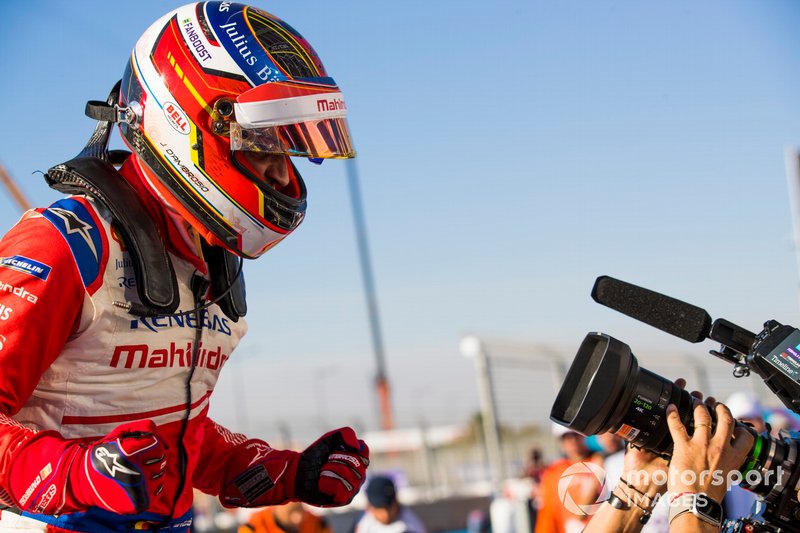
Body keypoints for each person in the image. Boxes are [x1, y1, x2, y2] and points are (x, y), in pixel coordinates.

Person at [0, 2, 368, 532]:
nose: (282, 176)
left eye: (289, 152)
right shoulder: (66, 245)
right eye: (265, 145)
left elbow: (179, 439)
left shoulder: (211, 256)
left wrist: (285, 473)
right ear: (186, 121)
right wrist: (76, 475)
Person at [534, 424, 602, 533]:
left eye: (576, 435)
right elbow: (547, 513)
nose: (572, 440)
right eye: (567, 437)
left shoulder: (599, 462)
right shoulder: (554, 472)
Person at [354, 476, 427, 533]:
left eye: (389, 507)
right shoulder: (363, 523)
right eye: (379, 508)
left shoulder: (409, 526)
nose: (386, 514)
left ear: (396, 503)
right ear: (369, 507)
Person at [238, 501, 331, 533]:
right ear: (275, 505)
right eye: (291, 512)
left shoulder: (318, 524)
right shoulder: (253, 528)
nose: (298, 518)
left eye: (299, 509)